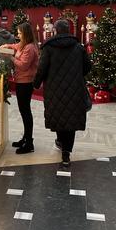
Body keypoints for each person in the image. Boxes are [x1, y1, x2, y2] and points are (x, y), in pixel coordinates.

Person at [33, 19, 91, 168]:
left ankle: (60, 140)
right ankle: (66, 152)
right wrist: (77, 75)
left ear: (56, 31)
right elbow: (87, 67)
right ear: (68, 30)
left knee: (59, 116)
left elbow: (42, 68)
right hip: (74, 89)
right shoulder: (78, 47)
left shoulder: (49, 48)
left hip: (54, 90)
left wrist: (36, 83)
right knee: (70, 119)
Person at [3, 22, 40, 154]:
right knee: (23, 110)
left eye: (19, 33)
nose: (17, 35)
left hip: (26, 82)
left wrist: (10, 57)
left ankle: (29, 143)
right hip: (21, 81)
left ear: (25, 34)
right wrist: (6, 45)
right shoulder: (23, 44)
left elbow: (23, 65)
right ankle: (25, 138)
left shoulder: (29, 47)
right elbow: (15, 45)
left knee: (25, 111)